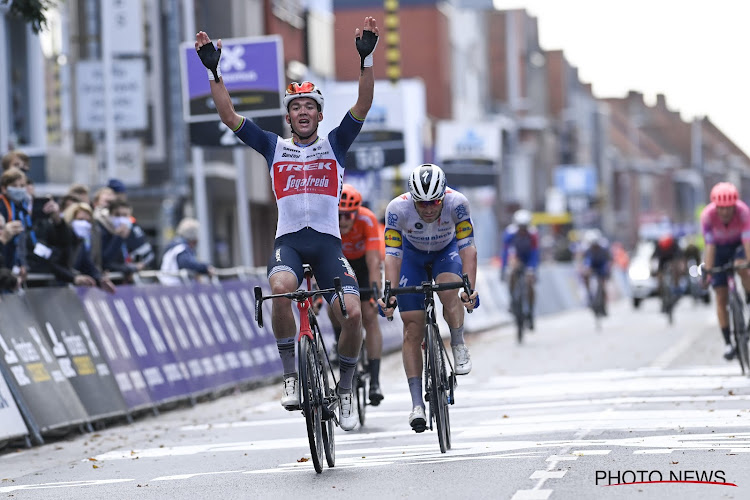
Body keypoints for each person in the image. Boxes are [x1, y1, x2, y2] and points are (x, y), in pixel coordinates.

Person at [195, 16, 379, 431]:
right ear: (289, 115)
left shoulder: (336, 143)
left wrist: (366, 61)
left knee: (351, 314)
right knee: (280, 289)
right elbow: (228, 115)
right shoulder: (272, 146)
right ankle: (291, 375)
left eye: (309, 107)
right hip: (290, 243)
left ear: (318, 113)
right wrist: (213, 71)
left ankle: (346, 387)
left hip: (330, 245)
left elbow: (363, 104)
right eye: (295, 107)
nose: (302, 113)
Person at [377, 163, 478, 433]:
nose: (430, 208)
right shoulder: (397, 209)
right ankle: (416, 405)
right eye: (423, 204)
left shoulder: (458, 204)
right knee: (412, 328)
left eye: (435, 202)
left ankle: (457, 343)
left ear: (444, 195)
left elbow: (468, 250)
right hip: (412, 258)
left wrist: (470, 288)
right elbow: (392, 255)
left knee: (448, 289)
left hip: (447, 253)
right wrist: (390, 292)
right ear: (412, 198)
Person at [330, 184, 385, 405]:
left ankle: (375, 379)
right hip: (339, 263)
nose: (343, 221)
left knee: (370, 316)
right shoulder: (328, 220)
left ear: (357, 212)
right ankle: (339, 342)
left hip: (362, 264)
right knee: (332, 305)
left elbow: (373, 261)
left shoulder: (367, 220)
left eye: (348, 216)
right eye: (340, 215)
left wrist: (374, 293)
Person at [700, 182, 750, 361]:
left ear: (734, 205)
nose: (725, 212)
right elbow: (710, 246)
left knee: (742, 266)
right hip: (719, 250)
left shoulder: (743, 212)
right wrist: (708, 271)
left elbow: (747, 242)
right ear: (716, 206)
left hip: (739, 246)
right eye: (721, 208)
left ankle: (749, 297)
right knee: (720, 296)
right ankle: (728, 342)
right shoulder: (707, 216)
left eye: (729, 208)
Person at [501, 209, 539, 330]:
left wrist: (532, 269)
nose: (522, 230)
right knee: (511, 274)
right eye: (520, 227)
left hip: (528, 259)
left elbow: (535, 252)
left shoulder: (533, 234)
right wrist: (504, 268)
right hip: (516, 258)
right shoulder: (509, 233)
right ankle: (513, 300)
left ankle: (531, 311)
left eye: (525, 227)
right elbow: (506, 251)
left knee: (529, 283)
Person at [159, 217, 215, 285]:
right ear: (193, 238)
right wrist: (205, 268)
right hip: (173, 286)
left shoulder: (173, 245)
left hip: (166, 284)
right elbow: (187, 263)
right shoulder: (181, 248)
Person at [579, 229, 613, 314]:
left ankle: (604, 305)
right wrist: (585, 269)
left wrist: (608, 268)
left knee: (602, 284)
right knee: (585, 276)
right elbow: (586, 261)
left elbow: (608, 260)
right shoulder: (587, 250)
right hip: (592, 266)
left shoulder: (604, 248)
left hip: (601, 267)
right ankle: (589, 294)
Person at [651, 231, 686, 306]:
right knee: (659, 277)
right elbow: (653, 259)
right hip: (662, 260)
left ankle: (676, 288)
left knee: (675, 270)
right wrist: (653, 270)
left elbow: (681, 258)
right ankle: (661, 295)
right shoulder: (659, 247)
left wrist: (681, 268)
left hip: (672, 259)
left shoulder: (674, 246)